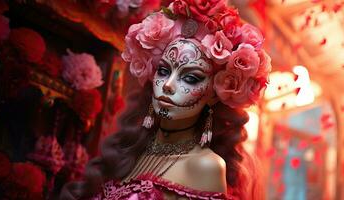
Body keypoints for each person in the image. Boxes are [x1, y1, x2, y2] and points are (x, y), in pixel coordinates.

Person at [60, 0, 271, 199]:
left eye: (190, 78)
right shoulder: (131, 150)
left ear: (215, 94)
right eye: (163, 70)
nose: (168, 85)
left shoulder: (205, 166)